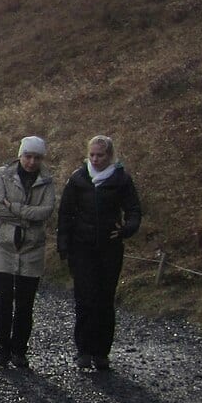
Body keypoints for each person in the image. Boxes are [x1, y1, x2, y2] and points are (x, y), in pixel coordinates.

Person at [56, 133, 142, 372]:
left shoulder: (122, 180)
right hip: (81, 247)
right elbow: (65, 213)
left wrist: (126, 229)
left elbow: (134, 210)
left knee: (105, 299)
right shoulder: (78, 179)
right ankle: (83, 350)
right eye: (92, 155)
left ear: (110, 155)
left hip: (109, 248)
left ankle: (102, 352)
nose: (95, 159)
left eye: (100, 155)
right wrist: (63, 244)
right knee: (84, 298)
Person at [0, 136, 57, 369]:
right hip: (0, 244)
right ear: (20, 155)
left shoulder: (47, 180)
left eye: (37, 157)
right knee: (3, 299)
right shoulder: (2, 174)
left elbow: (46, 211)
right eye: (28, 156)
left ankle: (19, 351)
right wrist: (28, 217)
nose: (31, 162)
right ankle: (2, 350)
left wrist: (15, 208)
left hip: (32, 247)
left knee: (26, 303)